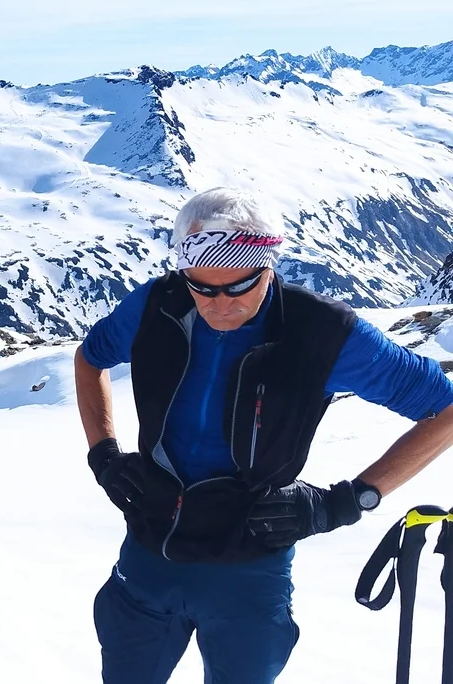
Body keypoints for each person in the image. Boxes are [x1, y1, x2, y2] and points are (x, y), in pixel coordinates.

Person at [75, 186, 453, 684]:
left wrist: (351, 500)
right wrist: (103, 453)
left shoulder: (322, 333)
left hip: (248, 568)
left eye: (239, 286)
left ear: (269, 266)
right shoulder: (156, 306)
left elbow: (444, 409)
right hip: (148, 556)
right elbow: (90, 357)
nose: (219, 304)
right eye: (202, 286)